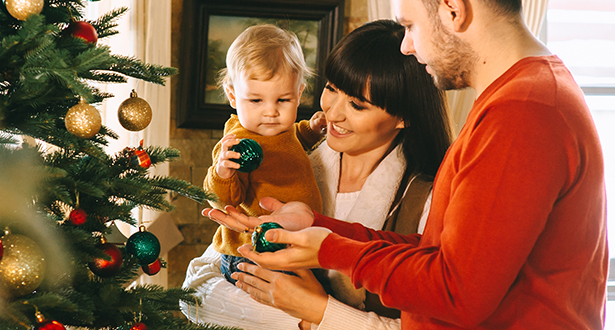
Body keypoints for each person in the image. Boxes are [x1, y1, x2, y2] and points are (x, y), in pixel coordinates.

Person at [206, 0, 608, 330]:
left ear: (453, 10)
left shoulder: (524, 114)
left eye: (410, 25)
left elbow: (455, 293)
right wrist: (317, 226)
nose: (406, 47)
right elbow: (440, 256)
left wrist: (329, 250)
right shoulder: (523, 96)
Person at [181, 20, 452, 329]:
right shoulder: (289, 157)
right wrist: (299, 317)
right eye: (331, 89)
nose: (333, 113)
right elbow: (196, 285)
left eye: (356, 105)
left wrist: (317, 312)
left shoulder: (426, 202)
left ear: (402, 116)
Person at [204, 24, 325, 285]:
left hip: (293, 240)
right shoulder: (236, 144)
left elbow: (293, 140)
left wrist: (312, 131)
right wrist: (223, 172)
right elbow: (224, 201)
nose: (271, 112)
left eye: (283, 100)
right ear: (233, 96)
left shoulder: (281, 130)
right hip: (253, 250)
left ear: (299, 94)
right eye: (256, 101)